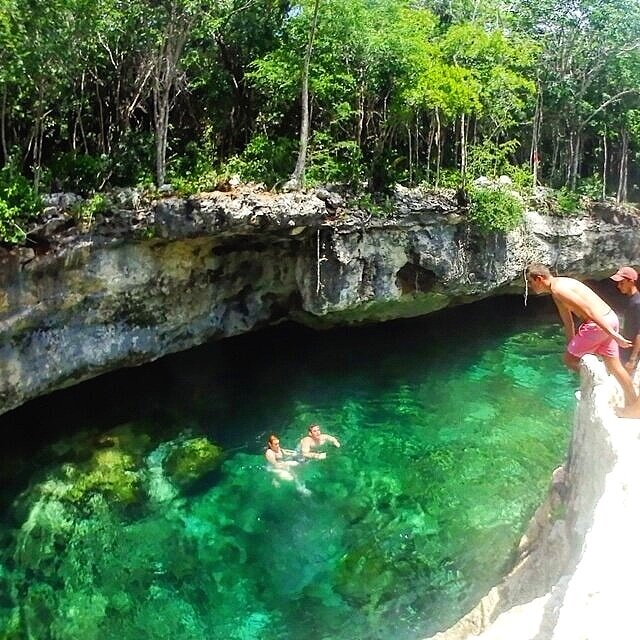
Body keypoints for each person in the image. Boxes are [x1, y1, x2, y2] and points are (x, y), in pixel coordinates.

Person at [525, 263, 636, 408]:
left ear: (539, 278)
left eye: (530, 282)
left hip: (598, 324)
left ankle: (598, 381)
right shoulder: (559, 286)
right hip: (610, 317)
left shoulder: (559, 290)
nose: (531, 287)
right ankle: (633, 404)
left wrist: (614, 335)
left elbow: (589, 311)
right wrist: (570, 346)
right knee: (615, 367)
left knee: (568, 360)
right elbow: (568, 322)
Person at [610, 266, 640, 374]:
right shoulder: (629, 300)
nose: (618, 286)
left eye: (621, 282)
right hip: (624, 350)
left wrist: (632, 359)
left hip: (631, 354)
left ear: (630, 282)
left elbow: (639, 333)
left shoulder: (637, 303)